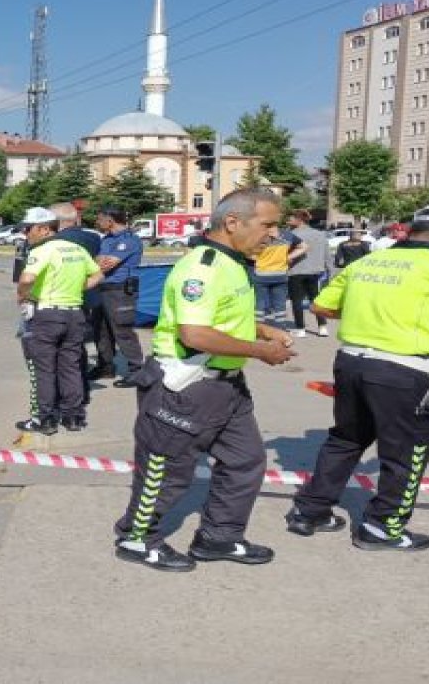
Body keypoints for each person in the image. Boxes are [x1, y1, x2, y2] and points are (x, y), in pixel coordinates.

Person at [288, 202, 429, 551]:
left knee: (345, 439)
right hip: (405, 369)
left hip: (352, 361)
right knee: (406, 452)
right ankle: (384, 526)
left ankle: (311, 511)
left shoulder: (367, 261)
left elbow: (320, 307)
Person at [113, 188, 298, 572]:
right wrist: (261, 351)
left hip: (227, 385)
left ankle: (220, 537)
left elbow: (221, 317)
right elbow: (194, 334)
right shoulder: (204, 267)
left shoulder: (234, 263)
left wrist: (262, 330)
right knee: (166, 468)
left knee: (245, 461)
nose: (274, 234)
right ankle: (137, 539)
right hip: (187, 384)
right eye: (267, 224)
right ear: (233, 222)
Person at [16, 207, 103, 434]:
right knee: (71, 367)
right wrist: (78, 288)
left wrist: (24, 295)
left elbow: (26, 278)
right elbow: (98, 274)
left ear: (44, 229)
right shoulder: (76, 249)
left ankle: (45, 419)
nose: (26, 234)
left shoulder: (42, 250)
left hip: (47, 314)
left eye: (29, 229)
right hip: (75, 313)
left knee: (45, 369)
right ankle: (73, 417)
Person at [91, 209, 145, 386]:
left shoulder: (129, 240)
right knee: (101, 330)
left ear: (110, 220)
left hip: (120, 290)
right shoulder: (106, 239)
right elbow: (96, 262)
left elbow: (105, 264)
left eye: (100, 219)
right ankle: (105, 367)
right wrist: (99, 261)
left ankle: (137, 371)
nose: (97, 222)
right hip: (102, 288)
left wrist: (99, 261)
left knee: (122, 331)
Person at [286, 209, 332, 338]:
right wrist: (329, 270)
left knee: (297, 300)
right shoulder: (320, 234)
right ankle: (322, 327)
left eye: (291, 218)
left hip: (296, 270)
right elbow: (327, 254)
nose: (288, 221)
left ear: (299, 220)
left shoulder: (290, 234)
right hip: (315, 270)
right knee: (316, 299)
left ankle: (300, 328)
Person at [252, 222, 306, 326]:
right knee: (280, 305)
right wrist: (288, 257)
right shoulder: (287, 235)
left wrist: (255, 258)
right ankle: (280, 328)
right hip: (280, 275)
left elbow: (250, 255)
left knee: (259, 304)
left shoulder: (259, 236)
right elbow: (304, 247)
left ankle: (258, 328)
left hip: (261, 275)